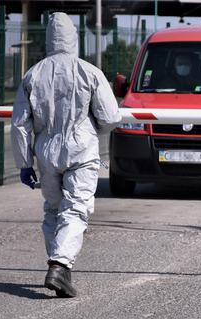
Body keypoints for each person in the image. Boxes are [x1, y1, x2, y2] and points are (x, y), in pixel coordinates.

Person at [11, 12, 121, 297]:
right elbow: (110, 117)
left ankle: (60, 268)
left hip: (46, 151)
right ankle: (60, 266)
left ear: (48, 38)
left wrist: (24, 163)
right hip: (81, 150)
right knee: (76, 209)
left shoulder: (33, 74)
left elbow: (20, 123)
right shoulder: (89, 71)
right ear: (74, 37)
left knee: (53, 210)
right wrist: (90, 127)